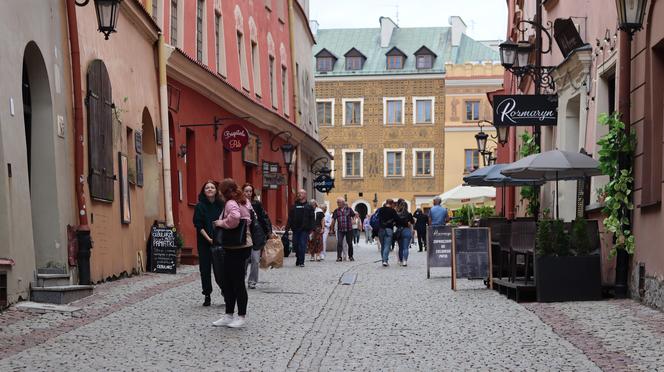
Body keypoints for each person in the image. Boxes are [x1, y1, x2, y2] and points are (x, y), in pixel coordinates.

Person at [212, 179, 254, 328]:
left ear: (224, 191)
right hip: (243, 244)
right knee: (234, 281)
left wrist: (221, 223)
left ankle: (237, 316)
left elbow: (235, 218)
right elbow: (248, 219)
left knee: (233, 282)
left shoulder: (231, 202)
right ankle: (231, 315)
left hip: (235, 246)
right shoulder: (244, 201)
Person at [192, 180, 225, 307]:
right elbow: (198, 225)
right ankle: (207, 294)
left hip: (220, 242)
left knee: (220, 269)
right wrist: (209, 239)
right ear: (204, 191)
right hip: (204, 242)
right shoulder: (200, 206)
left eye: (212, 187)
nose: (210, 189)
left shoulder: (221, 205)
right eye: (207, 188)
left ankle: (224, 290)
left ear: (216, 190)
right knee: (205, 269)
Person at [242, 183, 272, 290]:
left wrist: (268, 232)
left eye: (250, 191)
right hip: (244, 235)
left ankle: (252, 281)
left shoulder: (257, 204)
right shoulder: (239, 204)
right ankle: (241, 279)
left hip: (256, 235)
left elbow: (264, 218)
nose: (248, 193)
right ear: (242, 192)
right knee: (244, 260)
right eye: (246, 191)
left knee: (255, 259)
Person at [286, 189, 315, 267]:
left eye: (301, 193)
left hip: (304, 229)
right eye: (298, 193)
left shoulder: (309, 206)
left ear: (305, 195)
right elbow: (290, 218)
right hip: (295, 229)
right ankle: (298, 258)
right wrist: (287, 228)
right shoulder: (294, 206)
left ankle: (301, 261)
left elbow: (312, 218)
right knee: (295, 245)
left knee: (302, 245)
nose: (299, 195)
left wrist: (312, 229)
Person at [330, 197, 356, 262]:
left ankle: (351, 256)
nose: (338, 204)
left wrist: (354, 220)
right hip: (340, 230)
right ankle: (339, 257)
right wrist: (332, 229)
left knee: (349, 243)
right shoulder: (336, 211)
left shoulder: (349, 209)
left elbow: (354, 215)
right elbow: (333, 220)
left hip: (348, 229)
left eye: (339, 202)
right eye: (337, 202)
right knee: (339, 243)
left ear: (343, 203)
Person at [376, 199, 398, 266]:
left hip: (381, 229)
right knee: (387, 246)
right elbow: (397, 219)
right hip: (389, 229)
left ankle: (383, 260)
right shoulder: (392, 211)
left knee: (383, 245)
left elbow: (377, 218)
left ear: (386, 203)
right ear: (391, 204)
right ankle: (385, 260)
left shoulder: (380, 209)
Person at [395, 200, 415, 267]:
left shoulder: (397, 214)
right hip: (407, 230)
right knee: (406, 247)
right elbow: (412, 222)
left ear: (400, 206)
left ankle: (400, 261)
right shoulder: (409, 214)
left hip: (399, 231)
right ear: (407, 206)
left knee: (400, 247)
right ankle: (405, 261)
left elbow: (395, 223)